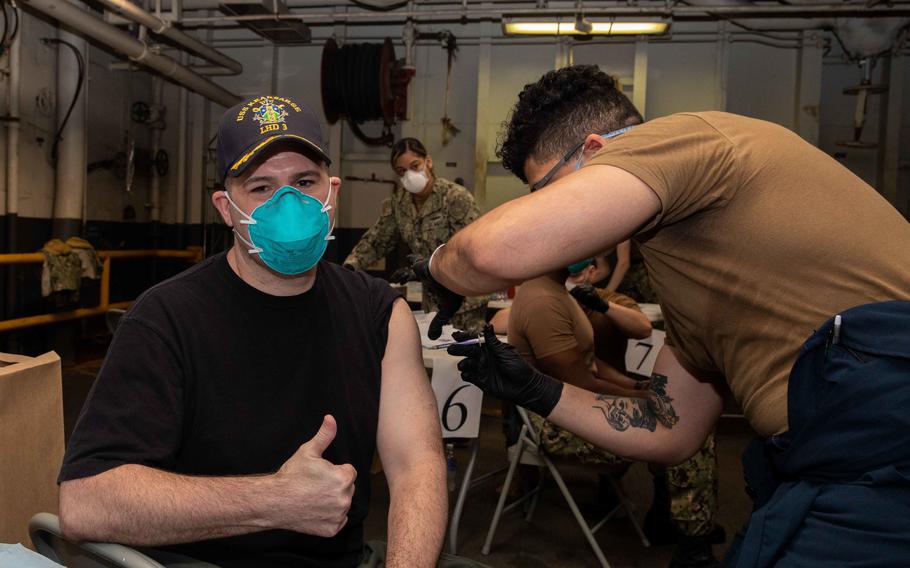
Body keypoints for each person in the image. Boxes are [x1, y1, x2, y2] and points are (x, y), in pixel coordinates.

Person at [412, 65, 910, 566]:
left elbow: (488, 254)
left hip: (880, 428)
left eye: (546, 193)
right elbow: (668, 428)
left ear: (596, 150)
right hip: (830, 456)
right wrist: (536, 391)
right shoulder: (690, 255)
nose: (548, 212)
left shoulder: (675, 139)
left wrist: (440, 270)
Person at [57, 96, 449, 568]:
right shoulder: (165, 319)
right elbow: (85, 502)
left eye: (304, 182)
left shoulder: (380, 314)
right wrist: (273, 501)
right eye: (261, 187)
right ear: (226, 208)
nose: (289, 203)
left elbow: (416, 467)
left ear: (332, 192)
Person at [344, 138, 487, 333]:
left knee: (462, 359)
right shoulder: (399, 203)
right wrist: (349, 268)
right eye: (402, 171)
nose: (409, 174)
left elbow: (472, 248)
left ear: (428, 162)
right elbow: (377, 240)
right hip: (432, 303)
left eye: (414, 166)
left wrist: (428, 267)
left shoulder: (455, 198)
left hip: (465, 301)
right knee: (433, 357)